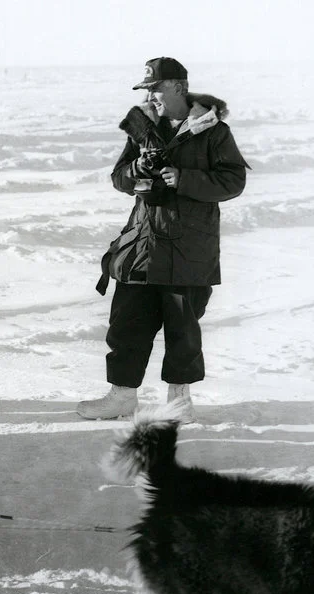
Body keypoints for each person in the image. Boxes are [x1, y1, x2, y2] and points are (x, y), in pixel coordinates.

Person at [77, 57, 248, 422]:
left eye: (155, 88)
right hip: (143, 243)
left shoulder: (213, 131)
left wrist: (184, 179)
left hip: (190, 247)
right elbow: (118, 179)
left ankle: (179, 402)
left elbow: (234, 181)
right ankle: (122, 397)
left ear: (178, 87)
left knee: (182, 329)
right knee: (126, 324)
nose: (150, 96)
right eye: (147, 90)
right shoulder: (142, 127)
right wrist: (135, 170)